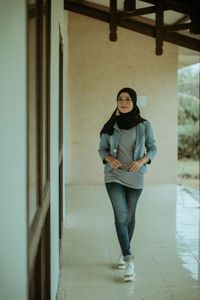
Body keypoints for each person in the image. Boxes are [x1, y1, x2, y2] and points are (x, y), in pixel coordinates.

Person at [98, 87, 157, 282]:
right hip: (113, 176)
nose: (123, 102)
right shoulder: (110, 126)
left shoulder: (144, 125)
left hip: (135, 177)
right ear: (116, 102)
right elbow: (102, 149)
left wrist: (141, 161)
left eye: (127, 99)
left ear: (134, 102)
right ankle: (129, 259)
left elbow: (153, 148)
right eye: (120, 99)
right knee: (121, 216)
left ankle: (124, 250)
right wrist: (108, 158)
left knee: (130, 218)